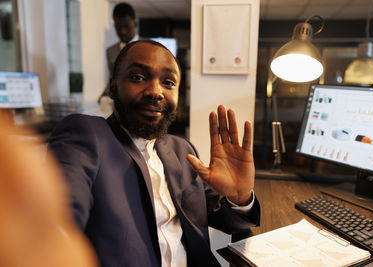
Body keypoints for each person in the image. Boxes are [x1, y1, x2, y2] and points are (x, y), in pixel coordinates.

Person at [48, 40, 260, 267]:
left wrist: (240, 197)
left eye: (168, 83)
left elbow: (229, 221)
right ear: (112, 87)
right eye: (138, 77)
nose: (155, 92)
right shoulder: (86, 134)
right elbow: (57, 221)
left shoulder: (183, 151)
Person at [0, 116, 98, 267]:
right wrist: (51, 239)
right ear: (111, 91)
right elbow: (70, 189)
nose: (149, 92)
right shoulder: (86, 131)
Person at [99, 2, 139, 101]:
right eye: (118, 27)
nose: (122, 31)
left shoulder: (149, 48)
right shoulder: (110, 51)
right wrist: (105, 94)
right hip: (119, 105)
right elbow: (113, 79)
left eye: (127, 26)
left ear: (135, 24)